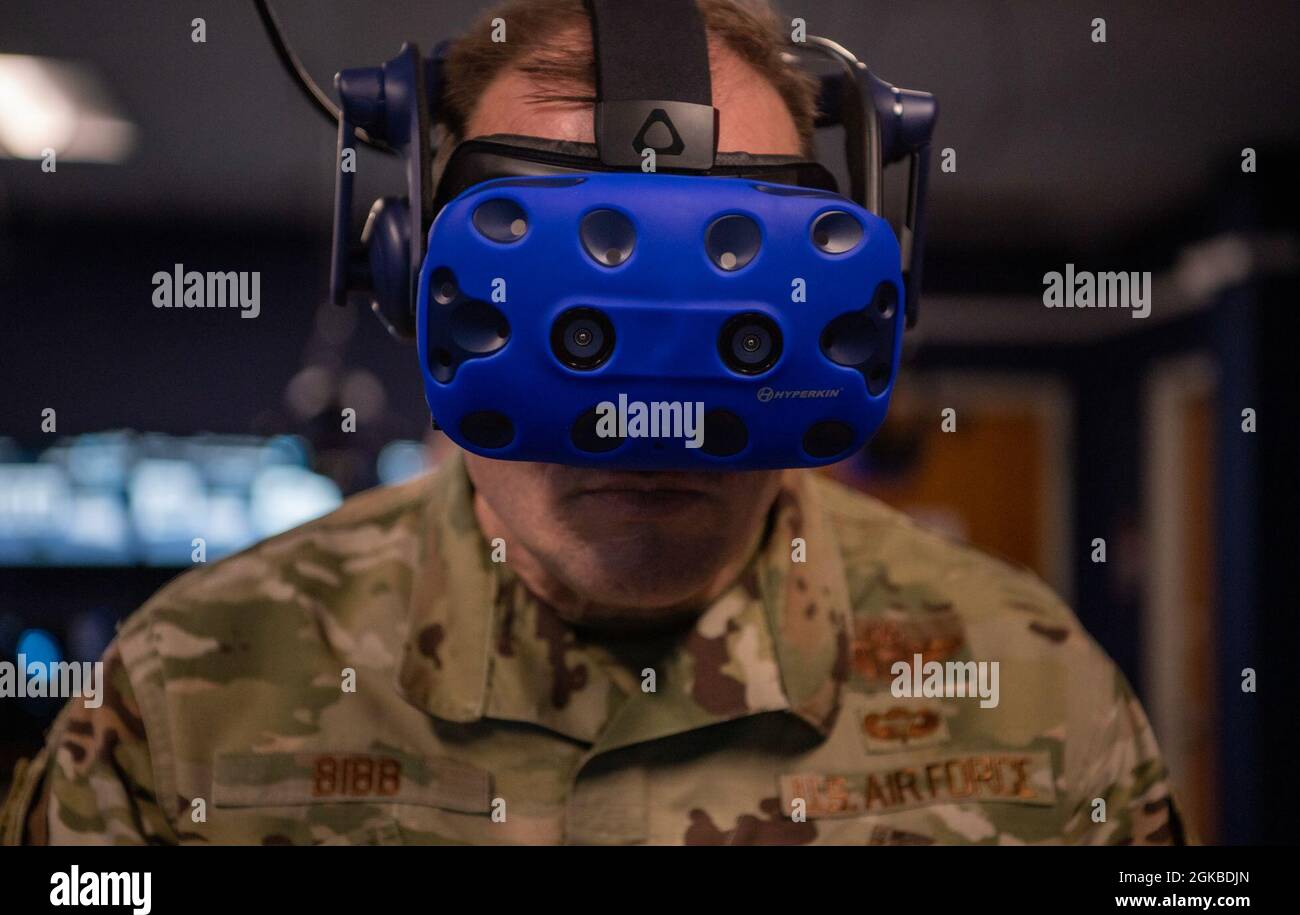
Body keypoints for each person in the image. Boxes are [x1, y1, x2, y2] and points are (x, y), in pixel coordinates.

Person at [0, 0, 1187, 845]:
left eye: (731, 316)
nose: (643, 421)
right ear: (409, 277)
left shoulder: (1036, 689)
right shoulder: (184, 698)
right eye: (577, 328)